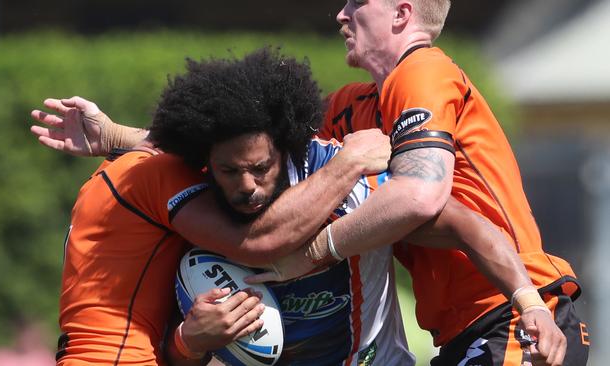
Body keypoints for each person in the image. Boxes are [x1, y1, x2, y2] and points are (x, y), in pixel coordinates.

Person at [32, 48, 567, 365]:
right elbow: (174, 351)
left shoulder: (351, 178)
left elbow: (470, 227)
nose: (245, 185)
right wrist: (188, 341)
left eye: (259, 169)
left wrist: (532, 301)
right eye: (228, 171)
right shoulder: (196, 215)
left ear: (285, 148)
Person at [249, 1, 588, 365]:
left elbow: (419, 196)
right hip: (467, 331)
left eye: (358, 3)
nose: (342, 14)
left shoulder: (422, 70)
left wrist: (315, 250)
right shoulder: (353, 105)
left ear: (401, 14)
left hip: (517, 316)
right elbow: (265, 151)